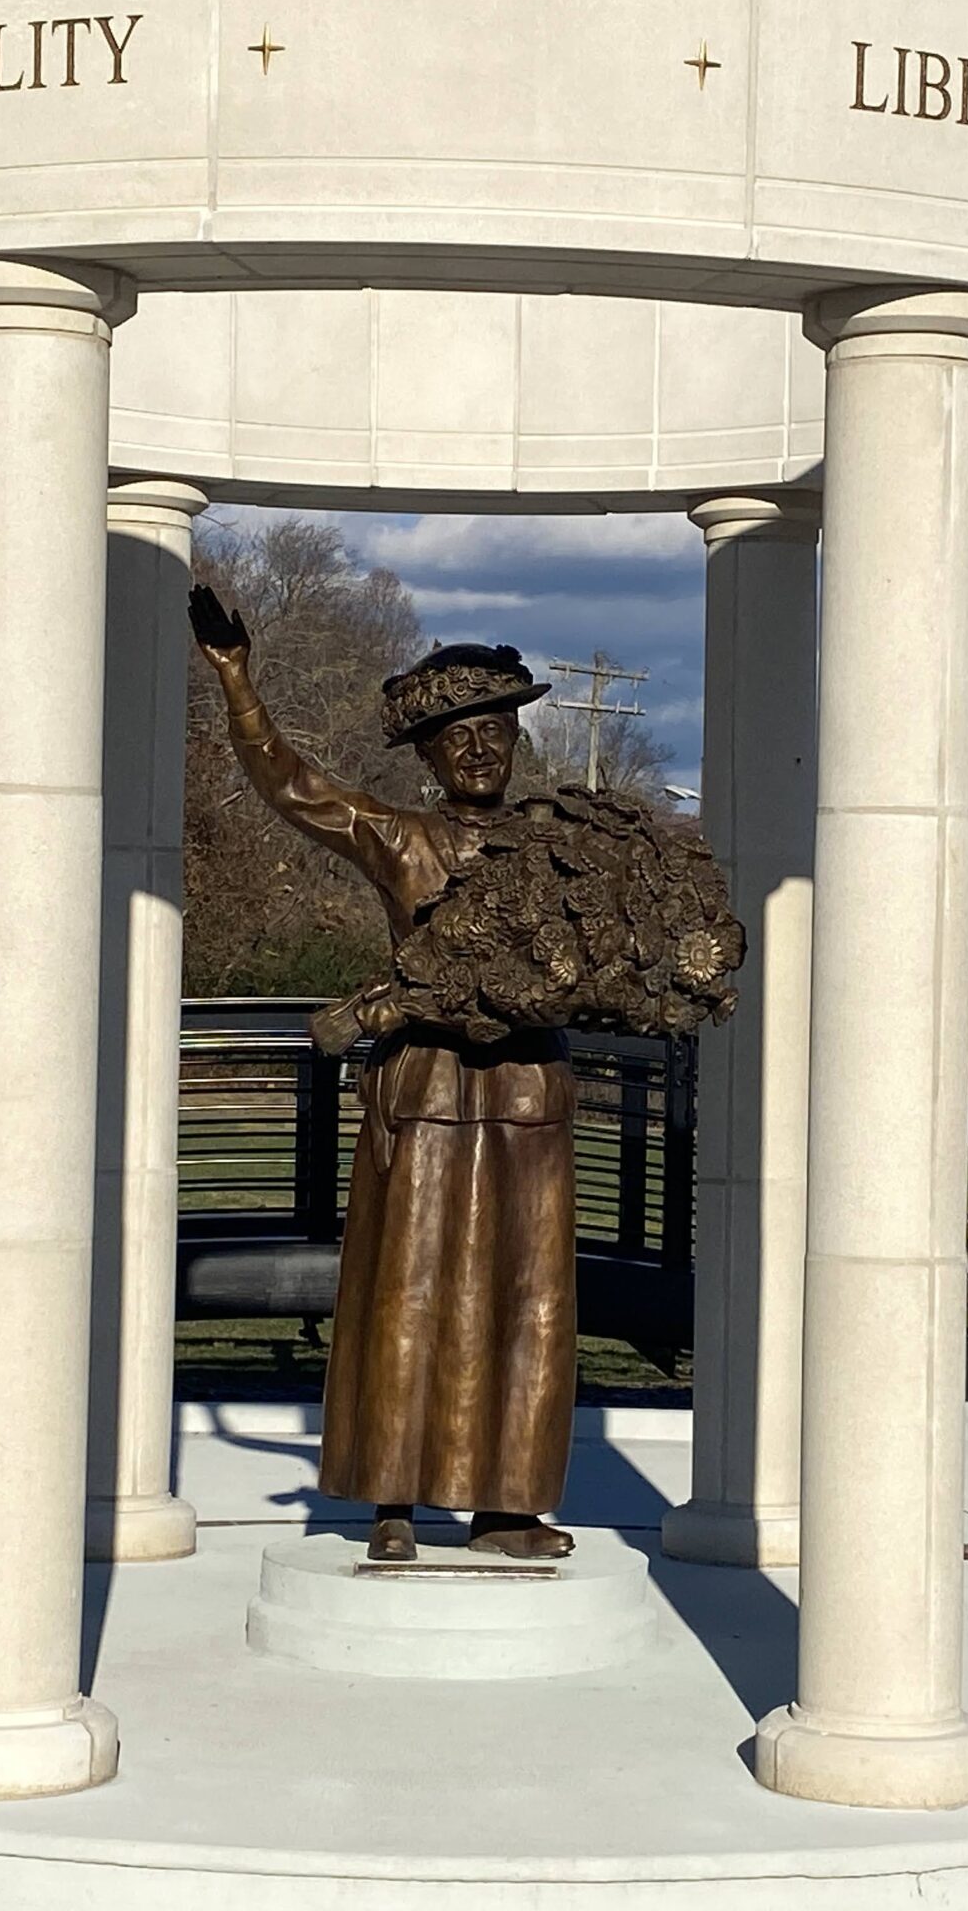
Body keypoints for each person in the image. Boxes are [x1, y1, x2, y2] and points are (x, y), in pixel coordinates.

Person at [191, 586, 577, 1562]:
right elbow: (291, 785)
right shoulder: (401, 838)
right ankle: (392, 1493)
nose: (480, 749)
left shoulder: (561, 852)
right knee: (404, 1295)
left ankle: (507, 1503)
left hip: (526, 1097)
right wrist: (239, 682)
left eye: (494, 731)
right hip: (429, 1093)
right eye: (458, 737)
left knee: (525, 1305)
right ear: (430, 756)